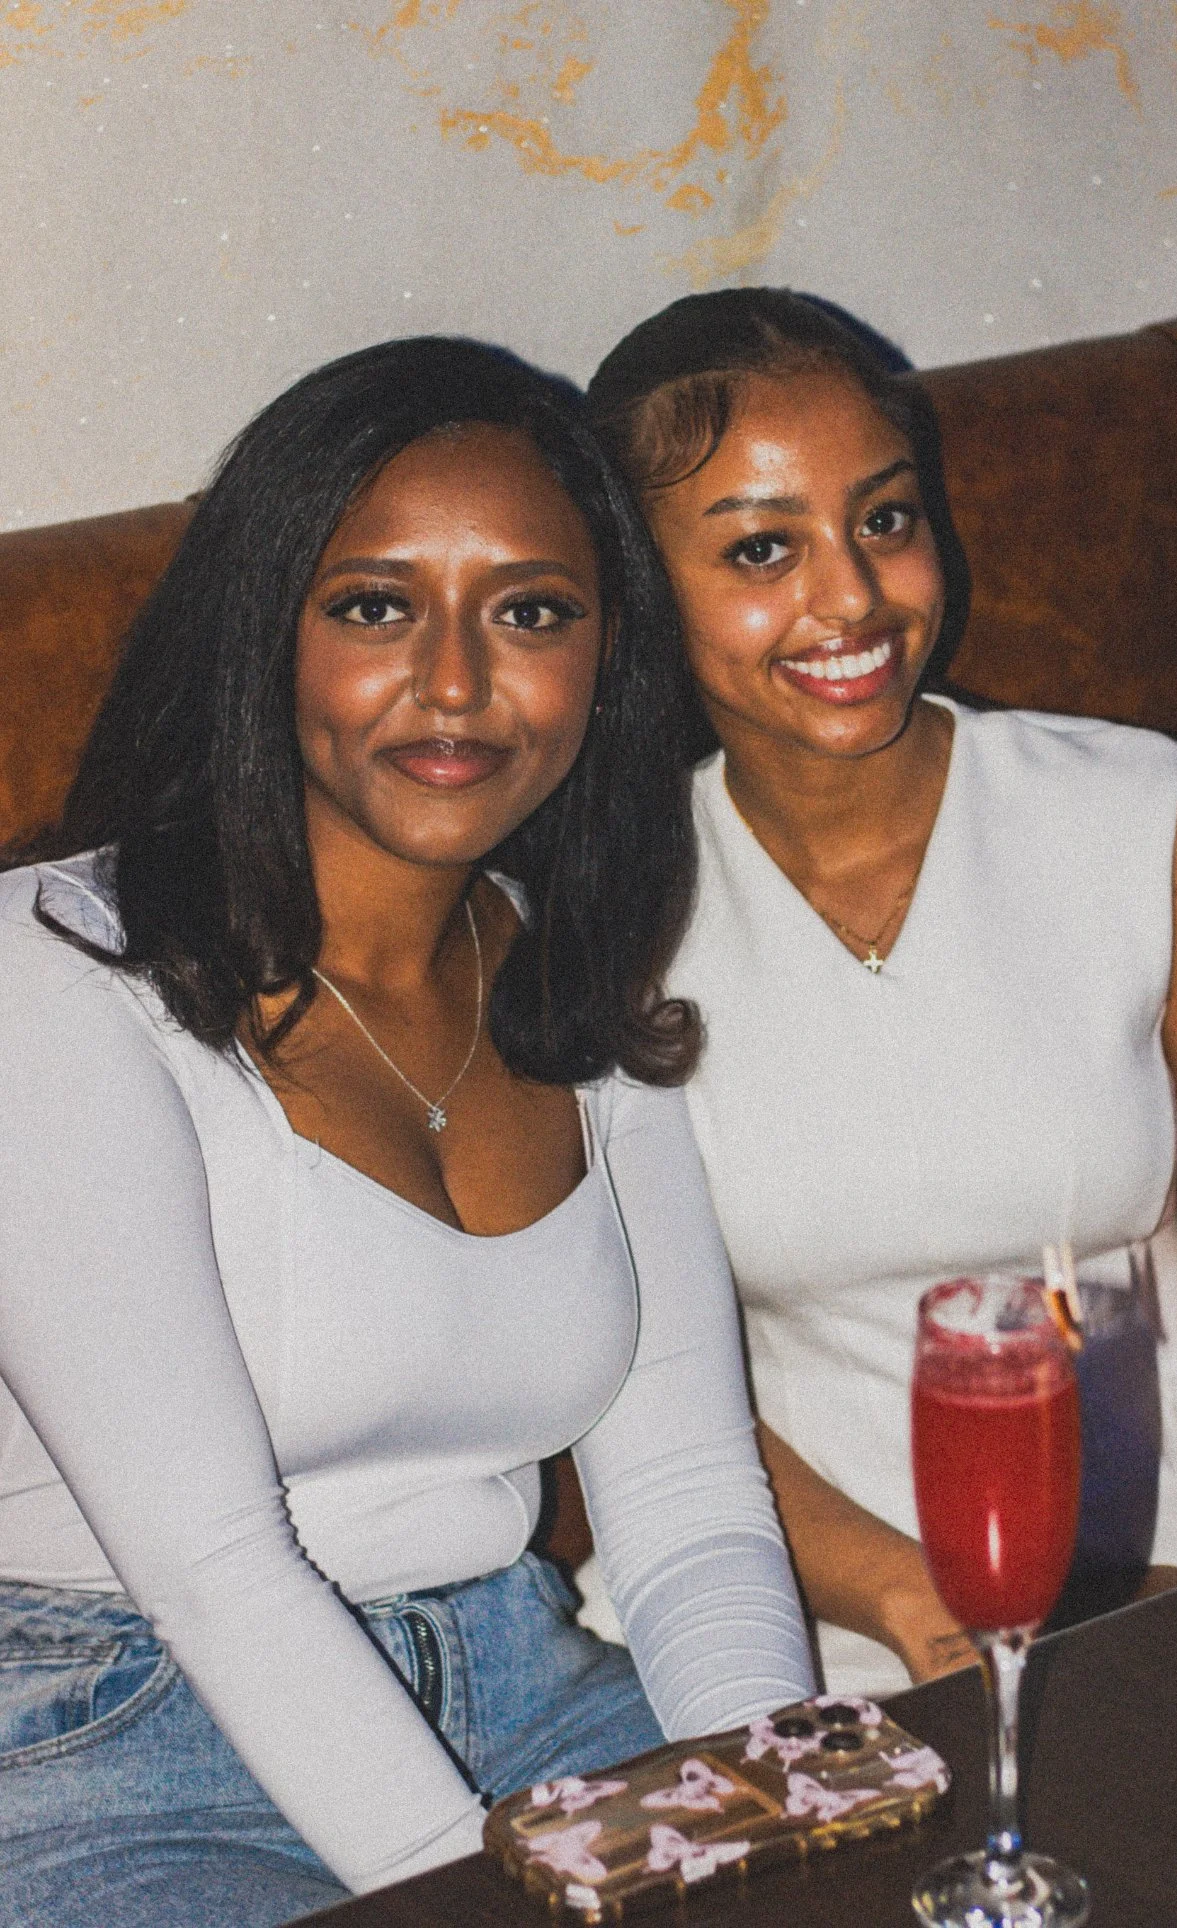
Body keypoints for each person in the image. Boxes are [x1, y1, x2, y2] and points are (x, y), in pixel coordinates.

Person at [0, 336, 816, 1927]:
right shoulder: (47, 979)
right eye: (375, 606)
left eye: (530, 612)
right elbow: (213, 1568)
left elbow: (693, 1508)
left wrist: (782, 1814)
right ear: (268, 636)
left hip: (526, 1684)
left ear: (601, 658)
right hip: (119, 1739)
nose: (456, 683)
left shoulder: (574, 967)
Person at [584, 288, 1177, 1697]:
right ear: (641, 588)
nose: (849, 596)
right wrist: (915, 1606)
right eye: (760, 549)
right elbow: (631, 1398)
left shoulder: (1146, 821)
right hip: (799, 1616)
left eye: (886, 521)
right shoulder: (604, 922)